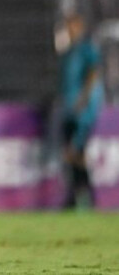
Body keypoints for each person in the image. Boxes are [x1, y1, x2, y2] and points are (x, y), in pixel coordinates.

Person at [57, 13, 104, 209]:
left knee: (75, 151)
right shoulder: (69, 51)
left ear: (79, 25)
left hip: (83, 112)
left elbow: (94, 71)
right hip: (69, 110)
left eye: (71, 25)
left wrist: (84, 97)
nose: (68, 29)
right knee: (71, 153)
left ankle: (85, 197)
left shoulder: (86, 48)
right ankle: (75, 196)